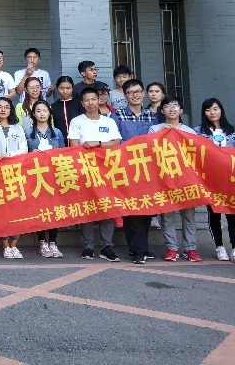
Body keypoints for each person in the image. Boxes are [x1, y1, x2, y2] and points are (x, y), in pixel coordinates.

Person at [68, 88, 122, 262]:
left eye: (93, 99)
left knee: (108, 207)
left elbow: (116, 142)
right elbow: (74, 145)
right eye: (87, 100)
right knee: (88, 207)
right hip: (85, 171)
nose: (90, 103)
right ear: (82, 103)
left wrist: (97, 144)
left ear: (99, 100)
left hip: (107, 171)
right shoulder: (77, 121)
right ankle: (88, 246)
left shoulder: (109, 121)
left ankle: (107, 247)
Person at [111, 79, 159, 264]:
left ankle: (138, 247)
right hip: (127, 168)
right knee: (132, 210)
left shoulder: (152, 116)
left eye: (138, 91)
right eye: (131, 92)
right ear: (125, 96)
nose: (135, 95)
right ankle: (139, 251)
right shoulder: (117, 116)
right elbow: (115, 141)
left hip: (148, 169)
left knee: (147, 208)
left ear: (143, 93)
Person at [149, 96, 200, 262]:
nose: (171, 109)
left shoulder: (189, 131)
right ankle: (171, 248)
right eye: (167, 106)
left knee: (189, 215)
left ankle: (190, 248)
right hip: (164, 178)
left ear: (181, 110)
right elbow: (149, 151)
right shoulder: (154, 129)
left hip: (186, 179)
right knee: (167, 216)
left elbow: (197, 155)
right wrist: (162, 133)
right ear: (162, 110)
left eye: (175, 106)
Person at [0, 97, 28, 258]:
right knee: (1, 209)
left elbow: (24, 150)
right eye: (0, 107)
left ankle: (14, 245)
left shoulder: (18, 129)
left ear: (11, 110)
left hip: (16, 173)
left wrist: (8, 156)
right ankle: (5, 245)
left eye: (7, 107)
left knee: (17, 210)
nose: (3, 110)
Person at [194, 98, 235, 262]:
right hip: (210, 180)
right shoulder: (198, 132)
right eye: (208, 109)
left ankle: (234, 246)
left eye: (215, 109)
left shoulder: (231, 131)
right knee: (214, 213)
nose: (212, 112)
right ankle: (219, 246)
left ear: (221, 110)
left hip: (229, 179)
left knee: (232, 213)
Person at [26, 100, 65, 258]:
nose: (42, 113)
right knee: (40, 208)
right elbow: (23, 154)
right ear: (33, 114)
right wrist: (32, 154)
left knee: (55, 208)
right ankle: (42, 242)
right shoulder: (27, 132)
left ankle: (53, 242)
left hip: (54, 175)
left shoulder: (57, 132)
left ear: (49, 113)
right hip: (36, 175)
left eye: (45, 110)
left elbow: (64, 154)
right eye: (38, 111)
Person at [51, 76, 83, 145]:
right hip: (60, 144)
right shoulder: (53, 106)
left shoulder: (80, 103)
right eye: (61, 88)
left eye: (68, 88)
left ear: (72, 88)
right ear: (57, 88)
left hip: (78, 144)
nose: (65, 91)